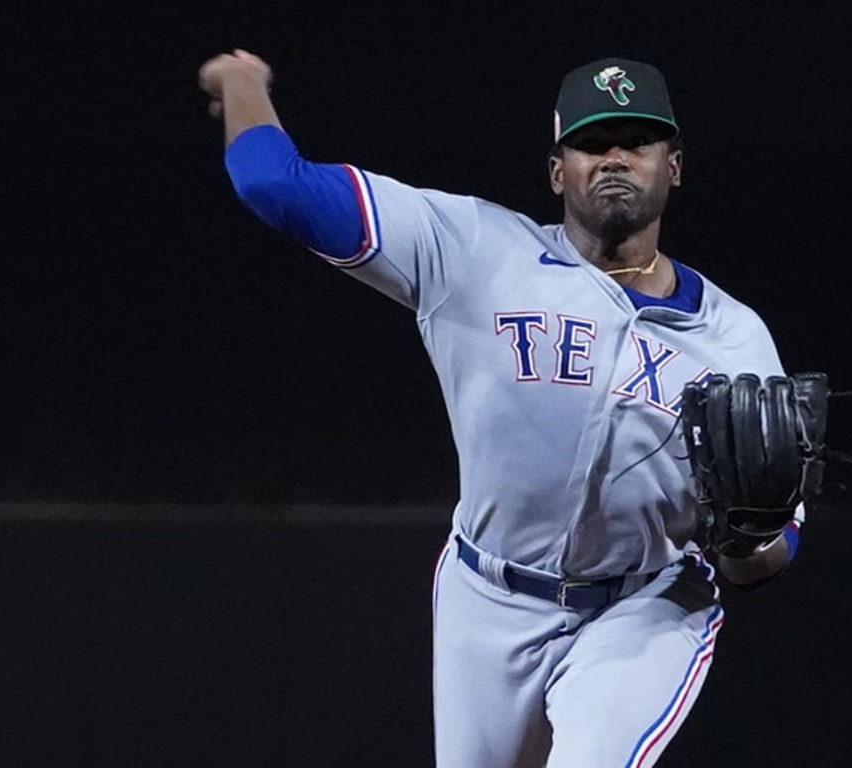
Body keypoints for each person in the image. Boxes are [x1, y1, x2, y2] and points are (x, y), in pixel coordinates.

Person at [198, 49, 804, 767]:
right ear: (558, 171)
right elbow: (273, 184)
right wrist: (242, 82)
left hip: (643, 607)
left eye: (637, 141)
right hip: (485, 599)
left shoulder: (733, 336)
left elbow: (767, 555)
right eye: (590, 143)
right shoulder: (475, 251)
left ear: (673, 164)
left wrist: (747, 543)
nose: (613, 158)